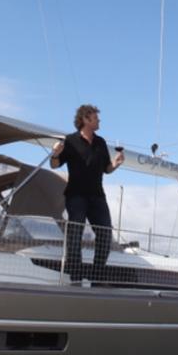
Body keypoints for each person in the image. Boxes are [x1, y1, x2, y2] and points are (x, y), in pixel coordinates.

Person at [50, 104, 124, 283]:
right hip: (76, 195)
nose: (99, 121)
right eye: (95, 118)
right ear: (85, 119)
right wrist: (54, 154)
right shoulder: (70, 141)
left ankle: (97, 278)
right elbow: (54, 165)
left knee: (105, 234)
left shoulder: (100, 142)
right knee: (75, 235)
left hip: (97, 195)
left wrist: (116, 164)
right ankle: (75, 278)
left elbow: (106, 169)